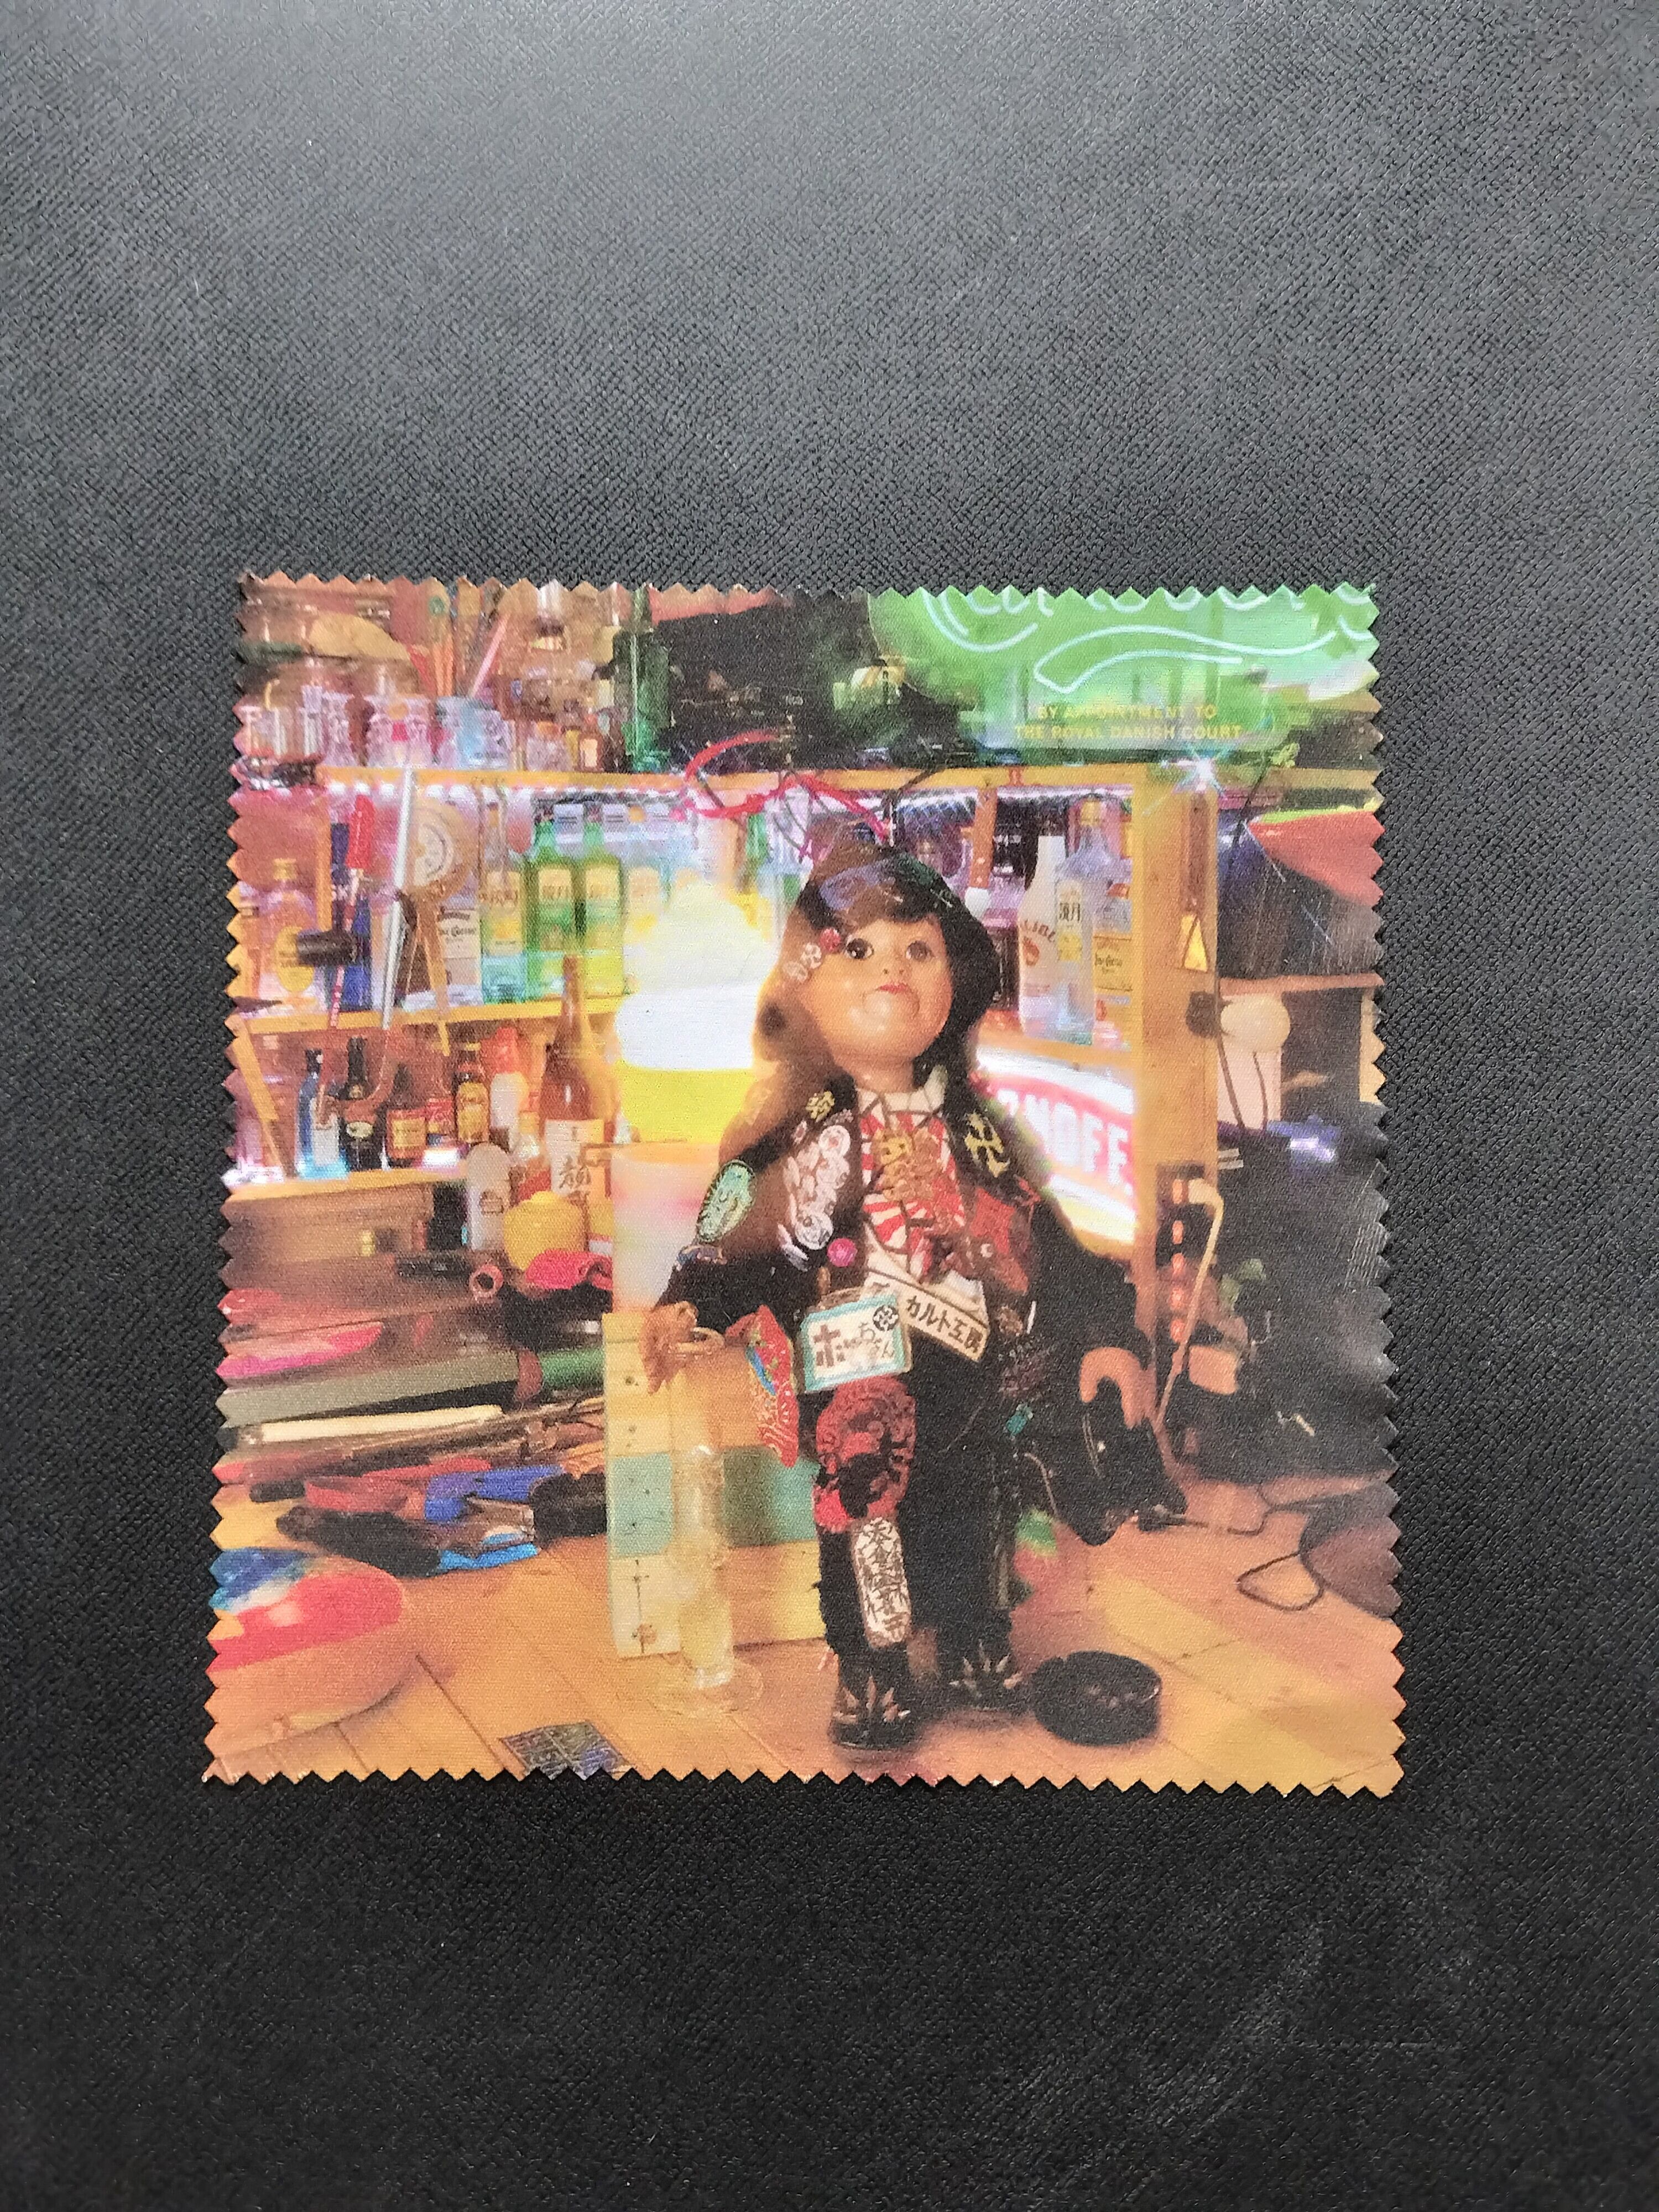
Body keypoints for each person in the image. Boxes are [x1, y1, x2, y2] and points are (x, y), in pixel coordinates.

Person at [641, 831, 1180, 1753]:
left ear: (953, 984)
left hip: (981, 1369)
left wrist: (1104, 1334)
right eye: (859, 949)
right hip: (856, 1378)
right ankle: (872, 1658)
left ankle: (975, 1633)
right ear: (804, 987)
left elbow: (1051, 1244)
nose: (891, 967)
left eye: (918, 949)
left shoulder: (983, 1133)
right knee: (864, 1510)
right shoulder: (787, 1133)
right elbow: (730, 1237)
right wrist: (690, 1301)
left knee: (982, 1504)